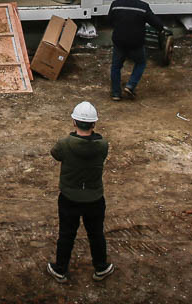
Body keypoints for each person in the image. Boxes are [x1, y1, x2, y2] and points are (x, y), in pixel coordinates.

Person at [46, 101, 114, 284]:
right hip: (94, 198)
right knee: (96, 233)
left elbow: (55, 154)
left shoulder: (65, 144)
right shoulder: (103, 145)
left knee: (66, 234)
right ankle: (101, 267)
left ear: (74, 122)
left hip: (70, 198)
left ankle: (60, 269)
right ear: (93, 124)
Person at [108, 0, 165, 101]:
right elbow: (156, 23)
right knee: (141, 63)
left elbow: (109, 21)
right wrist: (163, 29)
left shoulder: (115, 4)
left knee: (116, 67)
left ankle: (116, 93)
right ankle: (130, 85)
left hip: (119, 41)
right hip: (136, 43)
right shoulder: (143, 7)